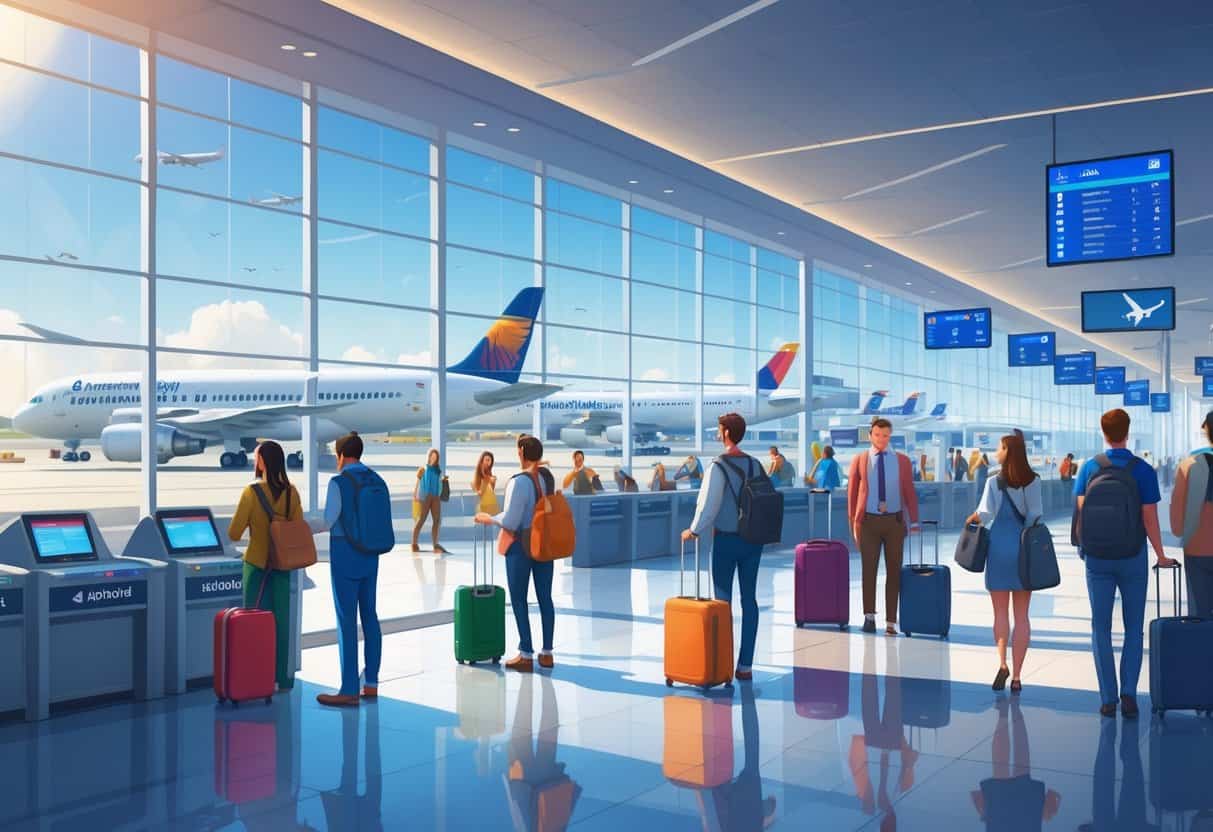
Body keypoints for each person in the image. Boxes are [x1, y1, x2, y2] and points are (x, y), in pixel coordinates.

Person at [1074, 408, 1176, 718]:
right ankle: (1129, 694)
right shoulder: (1142, 470)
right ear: (1127, 433)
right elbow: (1149, 519)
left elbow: (1081, 512)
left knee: (1100, 628)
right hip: (1132, 557)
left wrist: (1084, 549)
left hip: (1097, 559)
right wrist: (1159, 554)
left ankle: (1107, 698)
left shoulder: (1089, 468)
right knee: (1134, 628)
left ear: (1103, 433)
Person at [681, 413, 766, 681]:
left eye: (719, 430)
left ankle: (722, 663)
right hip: (754, 540)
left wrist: (693, 530)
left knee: (722, 602)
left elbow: (708, 506)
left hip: (727, 541)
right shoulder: (756, 464)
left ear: (727, 433)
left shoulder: (717, 467)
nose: (718, 434)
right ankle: (746, 665)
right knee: (749, 600)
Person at [310, 432, 390, 707]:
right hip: (371, 553)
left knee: (346, 620)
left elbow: (328, 521)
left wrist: (301, 526)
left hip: (345, 552)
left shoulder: (339, 482)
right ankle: (371, 683)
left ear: (341, 455)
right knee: (369, 614)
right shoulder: (376, 479)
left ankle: (347, 688)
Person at [966, 434, 1042, 694]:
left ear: (1007, 450)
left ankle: (1002, 663)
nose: (996, 451)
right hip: (1024, 553)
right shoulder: (1033, 481)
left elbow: (985, 515)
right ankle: (1018, 677)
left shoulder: (993, 482)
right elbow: (1035, 515)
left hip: (998, 549)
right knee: (1022, 616)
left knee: (1000, 613)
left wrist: (971, 518)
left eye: (999, 447)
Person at [475, 435, 556, 673]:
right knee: (545, 598)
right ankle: (547, 653)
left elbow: (511, 520)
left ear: (521, 451)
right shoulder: (547, 477)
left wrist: (488, 518)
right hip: (544, 545)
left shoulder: (518, 482)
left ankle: (526, 653)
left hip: (521, 546)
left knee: (519, 599)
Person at [227, 440, 301, 692]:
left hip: (257, 566)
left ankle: (256, 676)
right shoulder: (292, 492)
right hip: (283, 566)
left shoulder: (250, 492)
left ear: (262, 462)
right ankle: (283, 677)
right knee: (281, 624)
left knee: (253, 623)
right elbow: (296, 528)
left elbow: (234, 533)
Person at [847, 417, 920, 636]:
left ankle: (891, 620)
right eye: (877, 435)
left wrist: (914, 520)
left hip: (894, 522)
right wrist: (853, 521)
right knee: (868, 570)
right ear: (870, 435)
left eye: (886, 435)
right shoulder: (859, 460)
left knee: (894, 571)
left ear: (890, 436)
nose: (881, 439)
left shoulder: (902, 461)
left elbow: (909, 492)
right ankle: (869, 617)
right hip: (868, 522)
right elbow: (852, 493)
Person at [970, 698, 1061, 831]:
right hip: (1012, 818)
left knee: (1014, 765)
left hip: (1018, 817)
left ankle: (1010, 712)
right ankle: (1008, 712)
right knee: (1008, 767)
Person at [1170, 411, 1213, 618]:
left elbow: (1177, 524)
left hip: (1197, 547)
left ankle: (1203, 649)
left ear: (1207, 431)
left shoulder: (1188, 465)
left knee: (1199, 613)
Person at [412, 448, 446, 554]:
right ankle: (414, 543)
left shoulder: (438, 470)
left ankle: (435, 544)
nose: (433, 458)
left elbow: (440, 484)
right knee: (421, 519)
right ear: (429, 456)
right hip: (425, 496)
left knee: (437, 520)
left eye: (435, 457)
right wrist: (415, 495)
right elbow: (417, 483)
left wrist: (443, 482)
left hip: (436, 496)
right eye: (432, 456)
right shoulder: (423, 469)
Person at [473, 451, 498, 515]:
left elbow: (491, 490)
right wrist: (486, 481)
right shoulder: (479, 477)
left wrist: (492, 481)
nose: (488, 462)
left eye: (490, 460)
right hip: (483, 507)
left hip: (493, 506)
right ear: (482, 461)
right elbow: (480, 494)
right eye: (487, 460)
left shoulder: (490, 476)